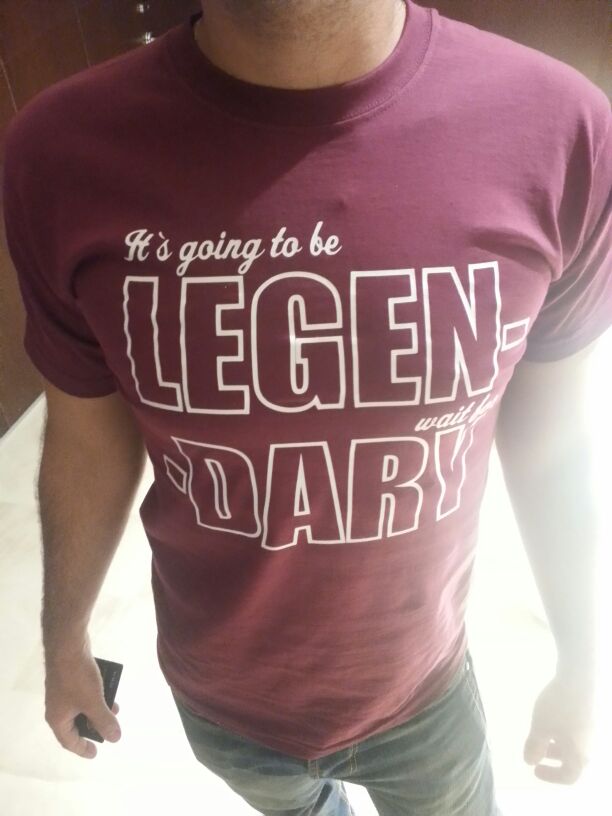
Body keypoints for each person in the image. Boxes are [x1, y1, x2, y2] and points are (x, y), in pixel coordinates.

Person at [3, 0, 610, 813]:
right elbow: (86, 441)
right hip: (220, 706)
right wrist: (63, 639)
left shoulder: (560, 130)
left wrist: (583, 662)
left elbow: (555, 442)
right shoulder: (59, 152)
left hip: (425, 692)